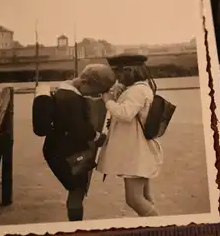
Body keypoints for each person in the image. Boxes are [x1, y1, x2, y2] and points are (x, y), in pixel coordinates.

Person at [40, 64, 115, 221]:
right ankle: (75, 226)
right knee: (77, 190)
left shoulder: (65, 91)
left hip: (59, 149)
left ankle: (75, 224)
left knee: (76, 190)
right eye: (96, 92)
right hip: (66, 153)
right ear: (85, 82)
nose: (97, 96)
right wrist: (98, 137)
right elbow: (78, 127)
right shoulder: (71, 99)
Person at [96, 53, 163, 217]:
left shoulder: (137, 90)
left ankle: (163, 227)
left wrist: (108, 100)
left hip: (136, 151)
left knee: (134, 199)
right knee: (144, 197)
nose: (116, 78)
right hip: (138, 149)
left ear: (129, 71)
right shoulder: (139, 88)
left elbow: (125, 114)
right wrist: (119, 95)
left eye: (118, 73)